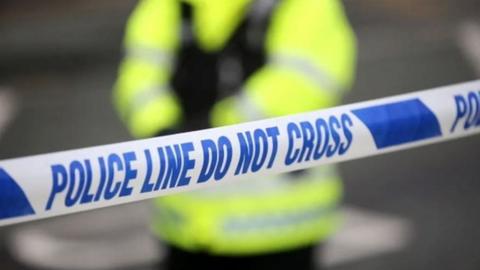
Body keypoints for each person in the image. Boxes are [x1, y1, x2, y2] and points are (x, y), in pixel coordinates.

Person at [113, 0, 356, 269]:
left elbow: (301, 82)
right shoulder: (166, 6)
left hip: (279, 228)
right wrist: (161, 129)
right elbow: (139, 76)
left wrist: (215, 127)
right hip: (186, 228)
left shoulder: (303, 5)